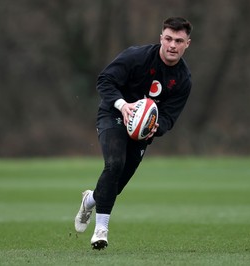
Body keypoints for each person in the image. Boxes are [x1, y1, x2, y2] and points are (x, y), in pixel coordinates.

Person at [74, 17, 193, 250]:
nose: (172, 45)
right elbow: (105, 80)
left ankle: (89, 200)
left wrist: (154, 127)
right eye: (168, 38)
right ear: (161, 38)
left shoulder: (183, 80)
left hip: (142, 132)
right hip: (113, 114)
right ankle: (101, 230)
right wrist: (122, 105)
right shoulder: (137, 57)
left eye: (178, 41)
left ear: (187, 43)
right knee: (114, 164)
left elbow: (169, 117)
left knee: (114, 186)